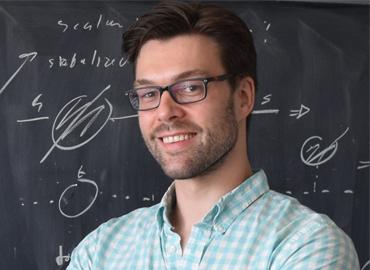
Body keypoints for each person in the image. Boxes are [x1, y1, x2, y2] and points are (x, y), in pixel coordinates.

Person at [67, 1, 359, 269]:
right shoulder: (101, 250)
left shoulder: (307, 245)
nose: (165, 112)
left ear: (243, 97)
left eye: (191, 87)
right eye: (148, 93)